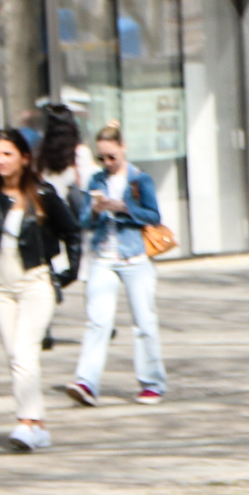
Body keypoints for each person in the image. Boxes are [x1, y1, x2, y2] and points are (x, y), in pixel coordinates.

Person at [0, 128, 80, 452]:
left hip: (34, 283)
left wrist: (69, 273)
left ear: (24, 158)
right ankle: (38, 426)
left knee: (24, 353)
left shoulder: (43, 194)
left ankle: (26, 423)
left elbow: (72, 232)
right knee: (16, 356)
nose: (0, 160)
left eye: (7, 154)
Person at [66, 121, 168, 406]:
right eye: (102, 157)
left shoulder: (139, 179)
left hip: (134, 256)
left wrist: (124, 208)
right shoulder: (96, 180)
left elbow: (153, 216)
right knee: (97, 321)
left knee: (144, 321)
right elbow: (83, 221)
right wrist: (96, 210)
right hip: (103, 256)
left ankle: (152, 383)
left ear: (123, 149)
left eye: (112, 156)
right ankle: (86, 382)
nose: (107, 162)